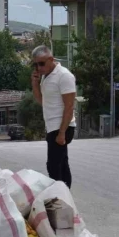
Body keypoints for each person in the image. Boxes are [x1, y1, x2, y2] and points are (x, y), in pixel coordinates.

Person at [31, 45, 77, 188]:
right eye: (36, 64)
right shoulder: (46, 77)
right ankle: (64, 196)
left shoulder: (64, 76)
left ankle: (58, 196)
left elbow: (69, 106)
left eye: (42, 63)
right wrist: (35, 83)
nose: (38, 68)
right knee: (61, 163)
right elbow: (41, 101)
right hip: (52, 127)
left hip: (63, 126)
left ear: (51, 59)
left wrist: (62, 133)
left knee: (53, 166)